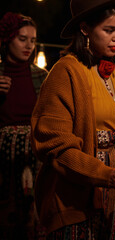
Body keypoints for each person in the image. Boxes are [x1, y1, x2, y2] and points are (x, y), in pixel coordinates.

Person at [30, 0, 115, 239]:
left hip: (111, 196)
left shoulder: (113, 75)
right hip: (74, 197)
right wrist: (104, 173)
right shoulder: (66, 71)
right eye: (109, 30)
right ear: (84, 29)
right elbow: (55, 145)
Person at [0, 12, 48, 239]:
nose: (29, 45)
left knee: (33, 219)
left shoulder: (42, 77)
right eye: (22, 38)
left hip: (34, 158)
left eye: (33, 40)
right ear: (8, 38)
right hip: (3, 159)